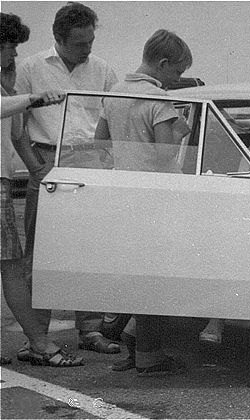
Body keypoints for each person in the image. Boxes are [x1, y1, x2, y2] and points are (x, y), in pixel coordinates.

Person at [14, 2, 120, 355]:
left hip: (90, 159)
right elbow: (17, 123)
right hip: (47, 158)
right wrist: (34, 166)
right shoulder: (30, 68)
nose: (86, 49)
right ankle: (38, 335)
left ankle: (90, 330)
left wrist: (105, 159)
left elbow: (113, 117)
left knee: (90, 248)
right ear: (58, 38)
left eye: (90, 41)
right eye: (79, 43)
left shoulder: (102, 69)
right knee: (40, 250)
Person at [96, 28, 192, 375]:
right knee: (157, 276)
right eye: (177, 72)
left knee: (136, 270)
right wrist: (178, 124)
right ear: (163, 64)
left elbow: (99, 140)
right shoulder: (157, 99)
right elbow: (165, 152)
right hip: (155, 195)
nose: (177, 79)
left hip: (125, 192)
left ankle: (130, 338)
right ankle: (148, 353)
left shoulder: (114, 93)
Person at [1, 12, 82, 367]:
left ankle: (38, 341)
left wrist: (11, 88)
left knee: (12, 264)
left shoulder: (6, 89)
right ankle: (38, 342)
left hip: (3, 181)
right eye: (9, 47)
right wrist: (32, 98)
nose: (14, 55)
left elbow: (16, 131)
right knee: (12, 266)